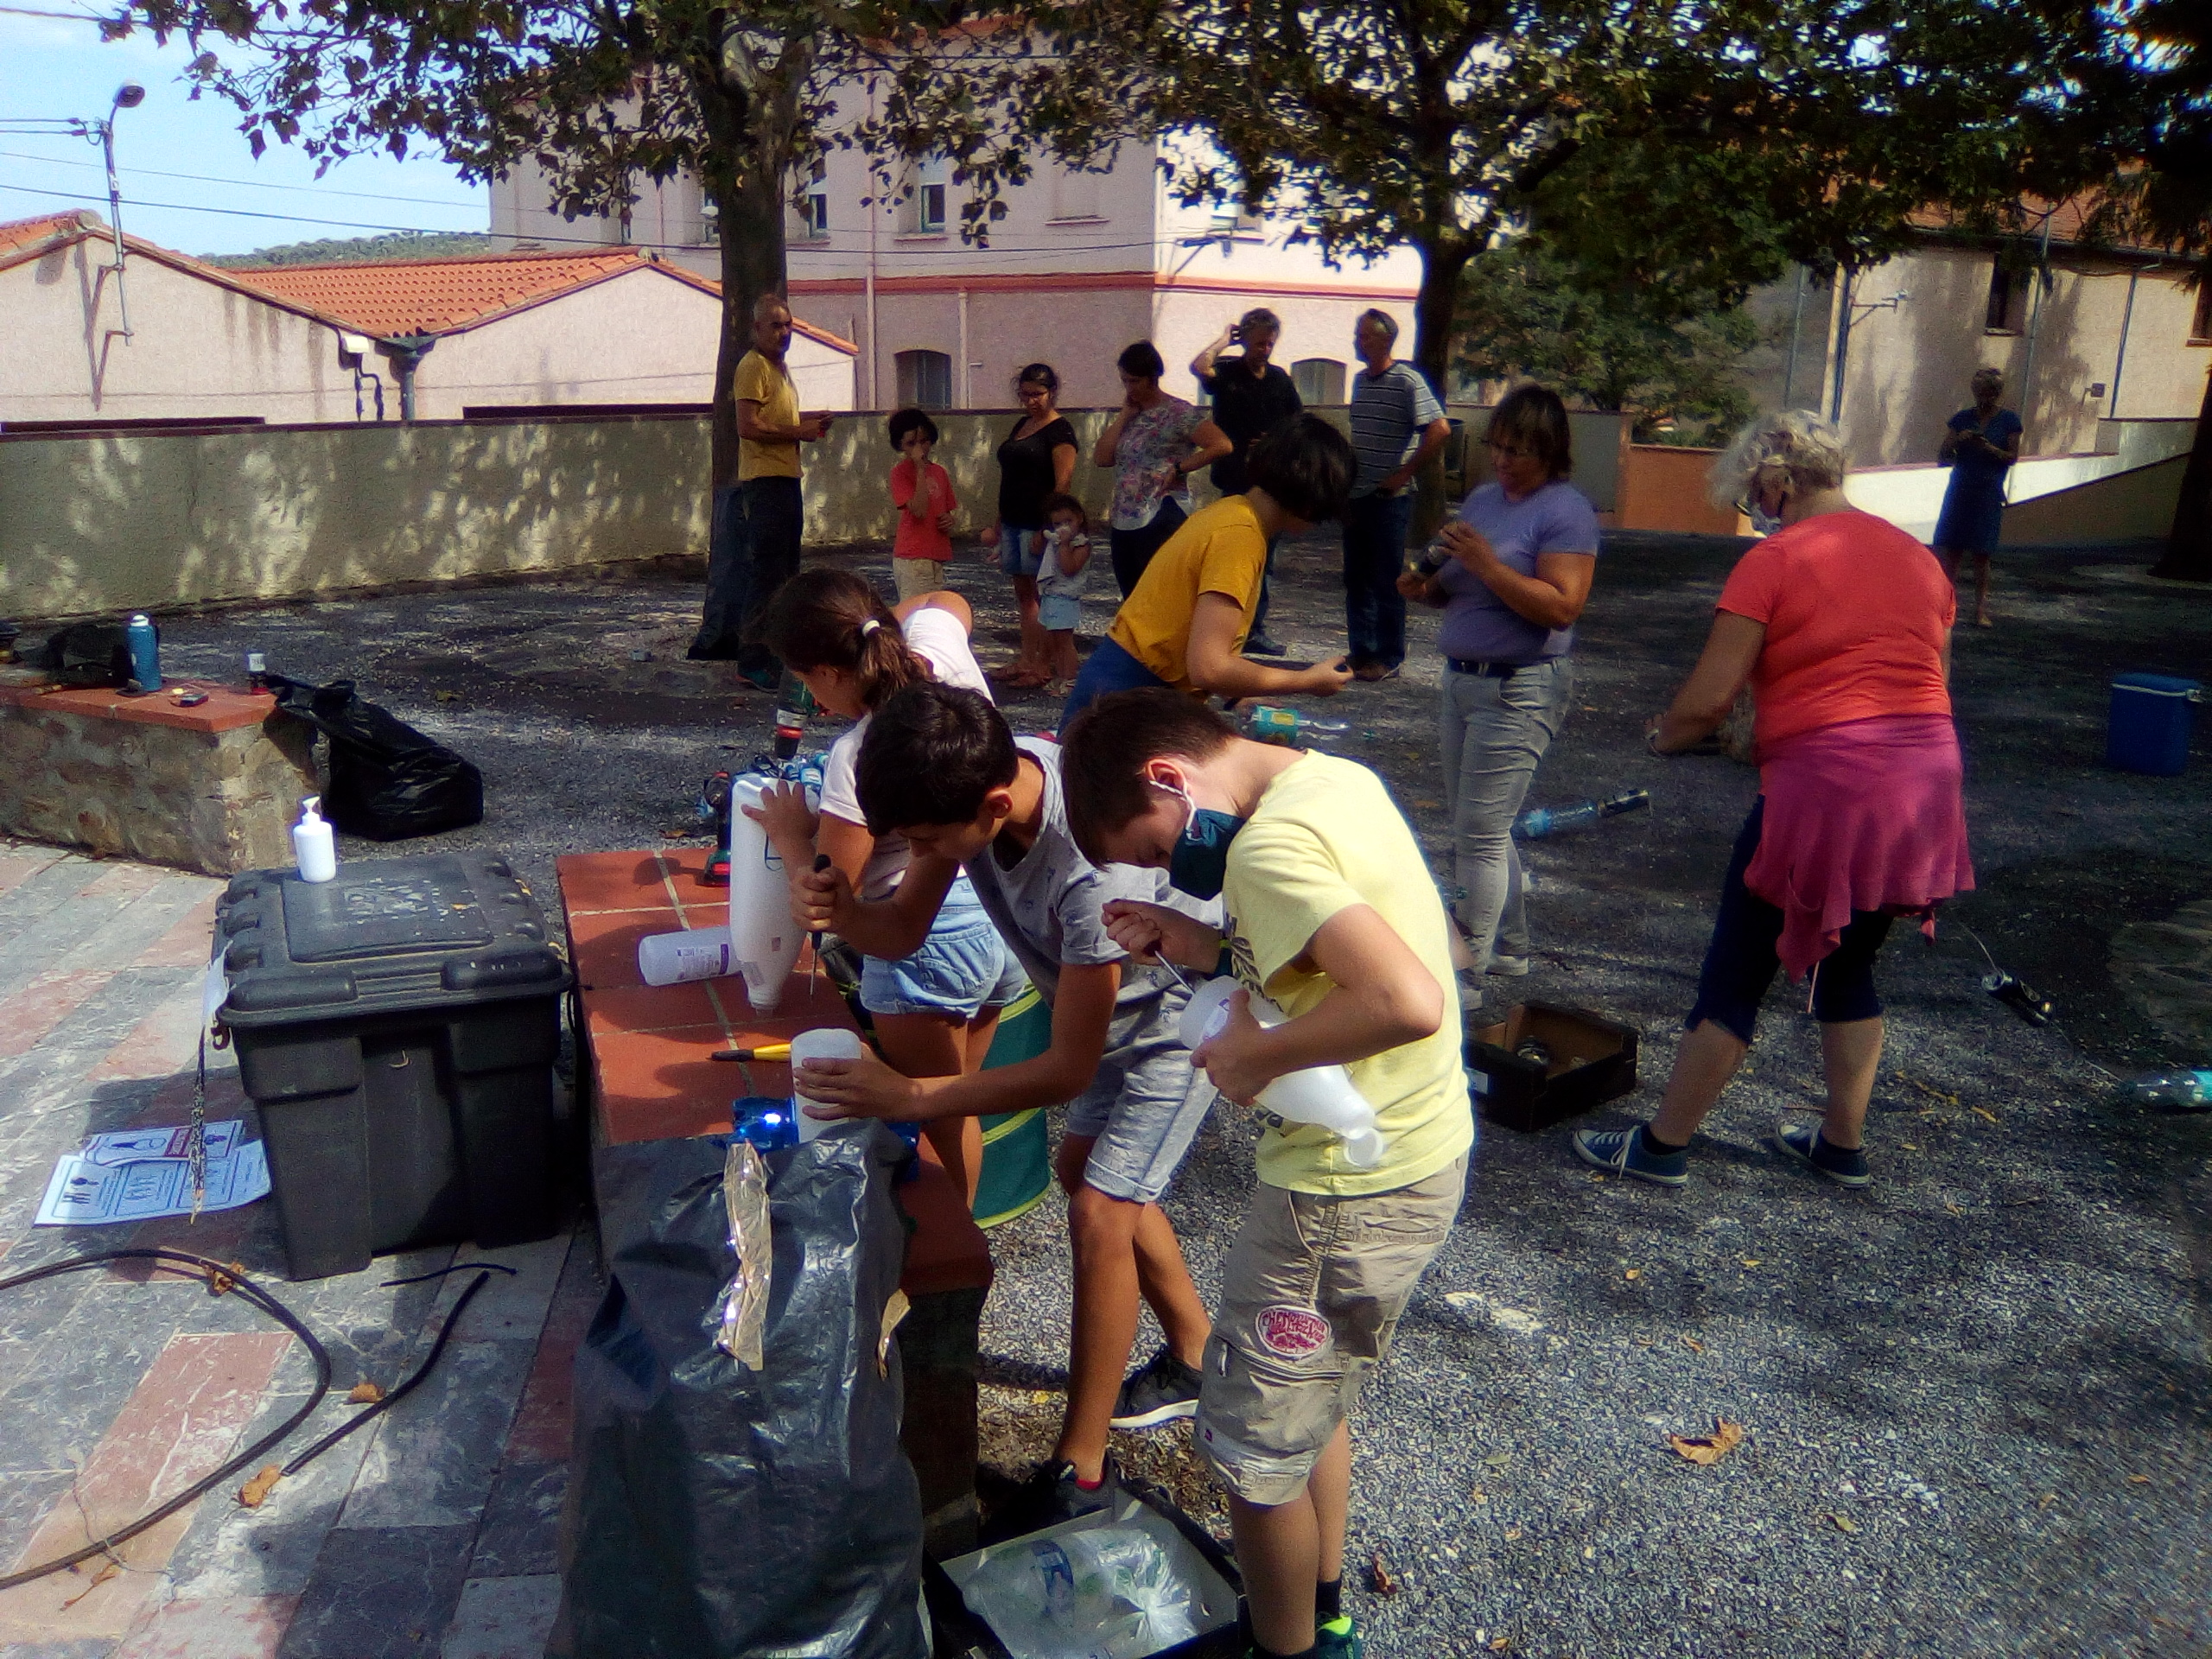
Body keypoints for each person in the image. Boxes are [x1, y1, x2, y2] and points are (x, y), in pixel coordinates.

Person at [1058, 688, 1471, 1659]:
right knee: (1309, 1403)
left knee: (1252, 1454)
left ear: (1169, 777)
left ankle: (1284, 1650)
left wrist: (1254, 1059)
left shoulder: (1263, 849)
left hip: (1339, 1192)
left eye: (1156, 848)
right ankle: (1321, 1611)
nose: (1172, 869)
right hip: (1416, 1151)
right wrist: (1201, 945)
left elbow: (1406, 999)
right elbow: (1335, 955)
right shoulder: (1329, 781)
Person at [788, 682, 1221, 1521]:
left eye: (925, 842)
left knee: (1101, 1212)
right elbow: (900, 930)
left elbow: (1065, 1070)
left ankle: (1080, 1470)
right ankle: (1196, 1352)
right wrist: (845, 913)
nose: (920, 853)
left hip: (1177, 1023)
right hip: (1103, 1015)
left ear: (992, 805)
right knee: (1084, 1173)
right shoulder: (967, 784)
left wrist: (913, 1093)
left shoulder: (1090, 871)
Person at [1573, 410, 1974, 1191]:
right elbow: (1931, 682)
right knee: (1851, 963)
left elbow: (1708, 701)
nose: (1756, 506)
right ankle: (1841, 1145)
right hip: (1924, 782)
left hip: (1829, 786)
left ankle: (1661, 1146)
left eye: (1754, 490)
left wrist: (1663, 738)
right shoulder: (1919, 560)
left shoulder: (1776, 558)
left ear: (1778, 478)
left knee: (1737, 970)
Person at [748, 572, 1023, 1204]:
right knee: (958, 1097)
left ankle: (952, 1242)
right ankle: (966, 1231)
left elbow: (830, 897)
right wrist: (873, 631)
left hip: (926, 938)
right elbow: (946, 599)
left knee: (935, 1114)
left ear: (828, 672)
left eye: (808, 679)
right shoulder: (940, 655)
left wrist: (791, 834)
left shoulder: (861, 754)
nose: (813, 697)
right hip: (998, 913)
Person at [1396, 385, 1599, 1004]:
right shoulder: (1484, 499)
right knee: (1483, 824)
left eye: (1519, 451)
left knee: (1477, 834)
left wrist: (1486, 564)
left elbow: (1562, 607)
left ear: (1550, 452)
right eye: (1498, 447)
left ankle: (1466, 970)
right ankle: (1510, 946)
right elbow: (1459, 585)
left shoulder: (1566, 512)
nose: (1504, 461)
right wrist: (1427, 587)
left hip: (1519, 687)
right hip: (1462, 678)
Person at [1060, 413, 1357, 726]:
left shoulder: (1229, 511)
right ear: (1312, 500)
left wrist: (1237, 691)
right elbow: (1209, 668)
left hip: (1120, 687)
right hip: (1128, 702)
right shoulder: (1240, 537)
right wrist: (1306, 681)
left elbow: (1185, 624)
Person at [690, 292, 836, 683]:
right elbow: (748, 426)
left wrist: (808, 422)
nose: (784, 332)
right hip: (764, 482)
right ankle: (752, 661)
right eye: (775, 325)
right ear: (757, 328)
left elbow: (775, 419)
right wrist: (799, 432)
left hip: (786, 478)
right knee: (767, 574)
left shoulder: (780, 369)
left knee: (786, 573)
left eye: (788, 325)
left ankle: (776, 656)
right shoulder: (752, 366)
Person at [1342, 309, 1448, 682]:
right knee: (1356, 577)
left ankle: (1388, 655)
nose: (1358, 341)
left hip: (1390, 497)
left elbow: (1439, 429)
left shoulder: (1407, 380)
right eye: (1358, 334)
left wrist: (1404, 473)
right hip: (1356, 494)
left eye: (1365, 336)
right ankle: (1361, 650)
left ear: (1385, 340)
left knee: (1387, 577)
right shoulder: (1360, 381)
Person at [1193, 308, 1304, 657]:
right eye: (1258, 343)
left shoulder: (1280, 380)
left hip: (1271, 483)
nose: (1265, 350)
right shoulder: (1228, 373)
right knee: (1231, 559)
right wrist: (1224, 340)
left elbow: (1298, 424)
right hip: (1235, 482)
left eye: (1270, 344)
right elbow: (1200, 367)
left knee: (1264, 562)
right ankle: (1225, 628)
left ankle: (1255, 628)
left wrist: (1275, 443)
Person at [1094, 340, 1232, 598]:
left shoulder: (1178, 412)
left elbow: (1222, 445)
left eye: (1135, 381)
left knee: (1159, 596)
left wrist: (1180, 468)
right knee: (1131, 598)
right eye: (1125, 381)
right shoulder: (1131, 414)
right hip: (1125, 516)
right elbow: (1102, 458)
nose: (1129, 388)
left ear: (1153, 377)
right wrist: (1124, 415)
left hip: (1160, 511)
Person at [983, 363, 1080, 688]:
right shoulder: (1022, 424)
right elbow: (1011, 478)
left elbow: (1062, 484)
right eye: (1025, 395)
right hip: (1013, 522)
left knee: (1046, 596)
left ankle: (1043, 665)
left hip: (1036, 525)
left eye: (1037, 394)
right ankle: (1027, 660)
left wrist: (1045, 528)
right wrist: (999, 523)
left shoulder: (1060, 432)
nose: (1030, 401)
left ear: (1052, 392)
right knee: (1024, 595)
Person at [1932, 366, 2023, 628]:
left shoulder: (2009, 421)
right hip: (1960, 491)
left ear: (1997, 394)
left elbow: (2012, 457)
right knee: (1952, 551)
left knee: (1982, 554)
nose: (1983, 399)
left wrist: (1989, 448)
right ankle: (1945, 608)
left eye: (1989, 394)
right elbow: (1943, 457)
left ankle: (1980, 610)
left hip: (1988, 492)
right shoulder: (1962, 419)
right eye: (1979, 393)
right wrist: (1958, 441)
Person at [887, 408, 957, 602]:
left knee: (931, 609)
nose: (919, 449)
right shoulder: (900, 473)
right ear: (900, 445)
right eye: (911, 443)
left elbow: (946, 509)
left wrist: (949, 520)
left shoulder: (939, 472)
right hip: (913, 557)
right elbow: (918, 510)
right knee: (915, 610)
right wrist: (919, 469)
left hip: (935, 554)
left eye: (924, 441)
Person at [1035, 492, 1094, 696]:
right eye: (1058, 524)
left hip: (1066, 599)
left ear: (1080, 518)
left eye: (1068, 522)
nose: (1063, 528)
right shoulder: (1055, 541)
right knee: (1053, 639)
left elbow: (1069, 568)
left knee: (1064, 642)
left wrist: (1064, 545)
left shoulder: (1081, 545)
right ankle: (1060, 676)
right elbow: (1035, 550)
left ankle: (1070, 679)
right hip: (1051, 595)